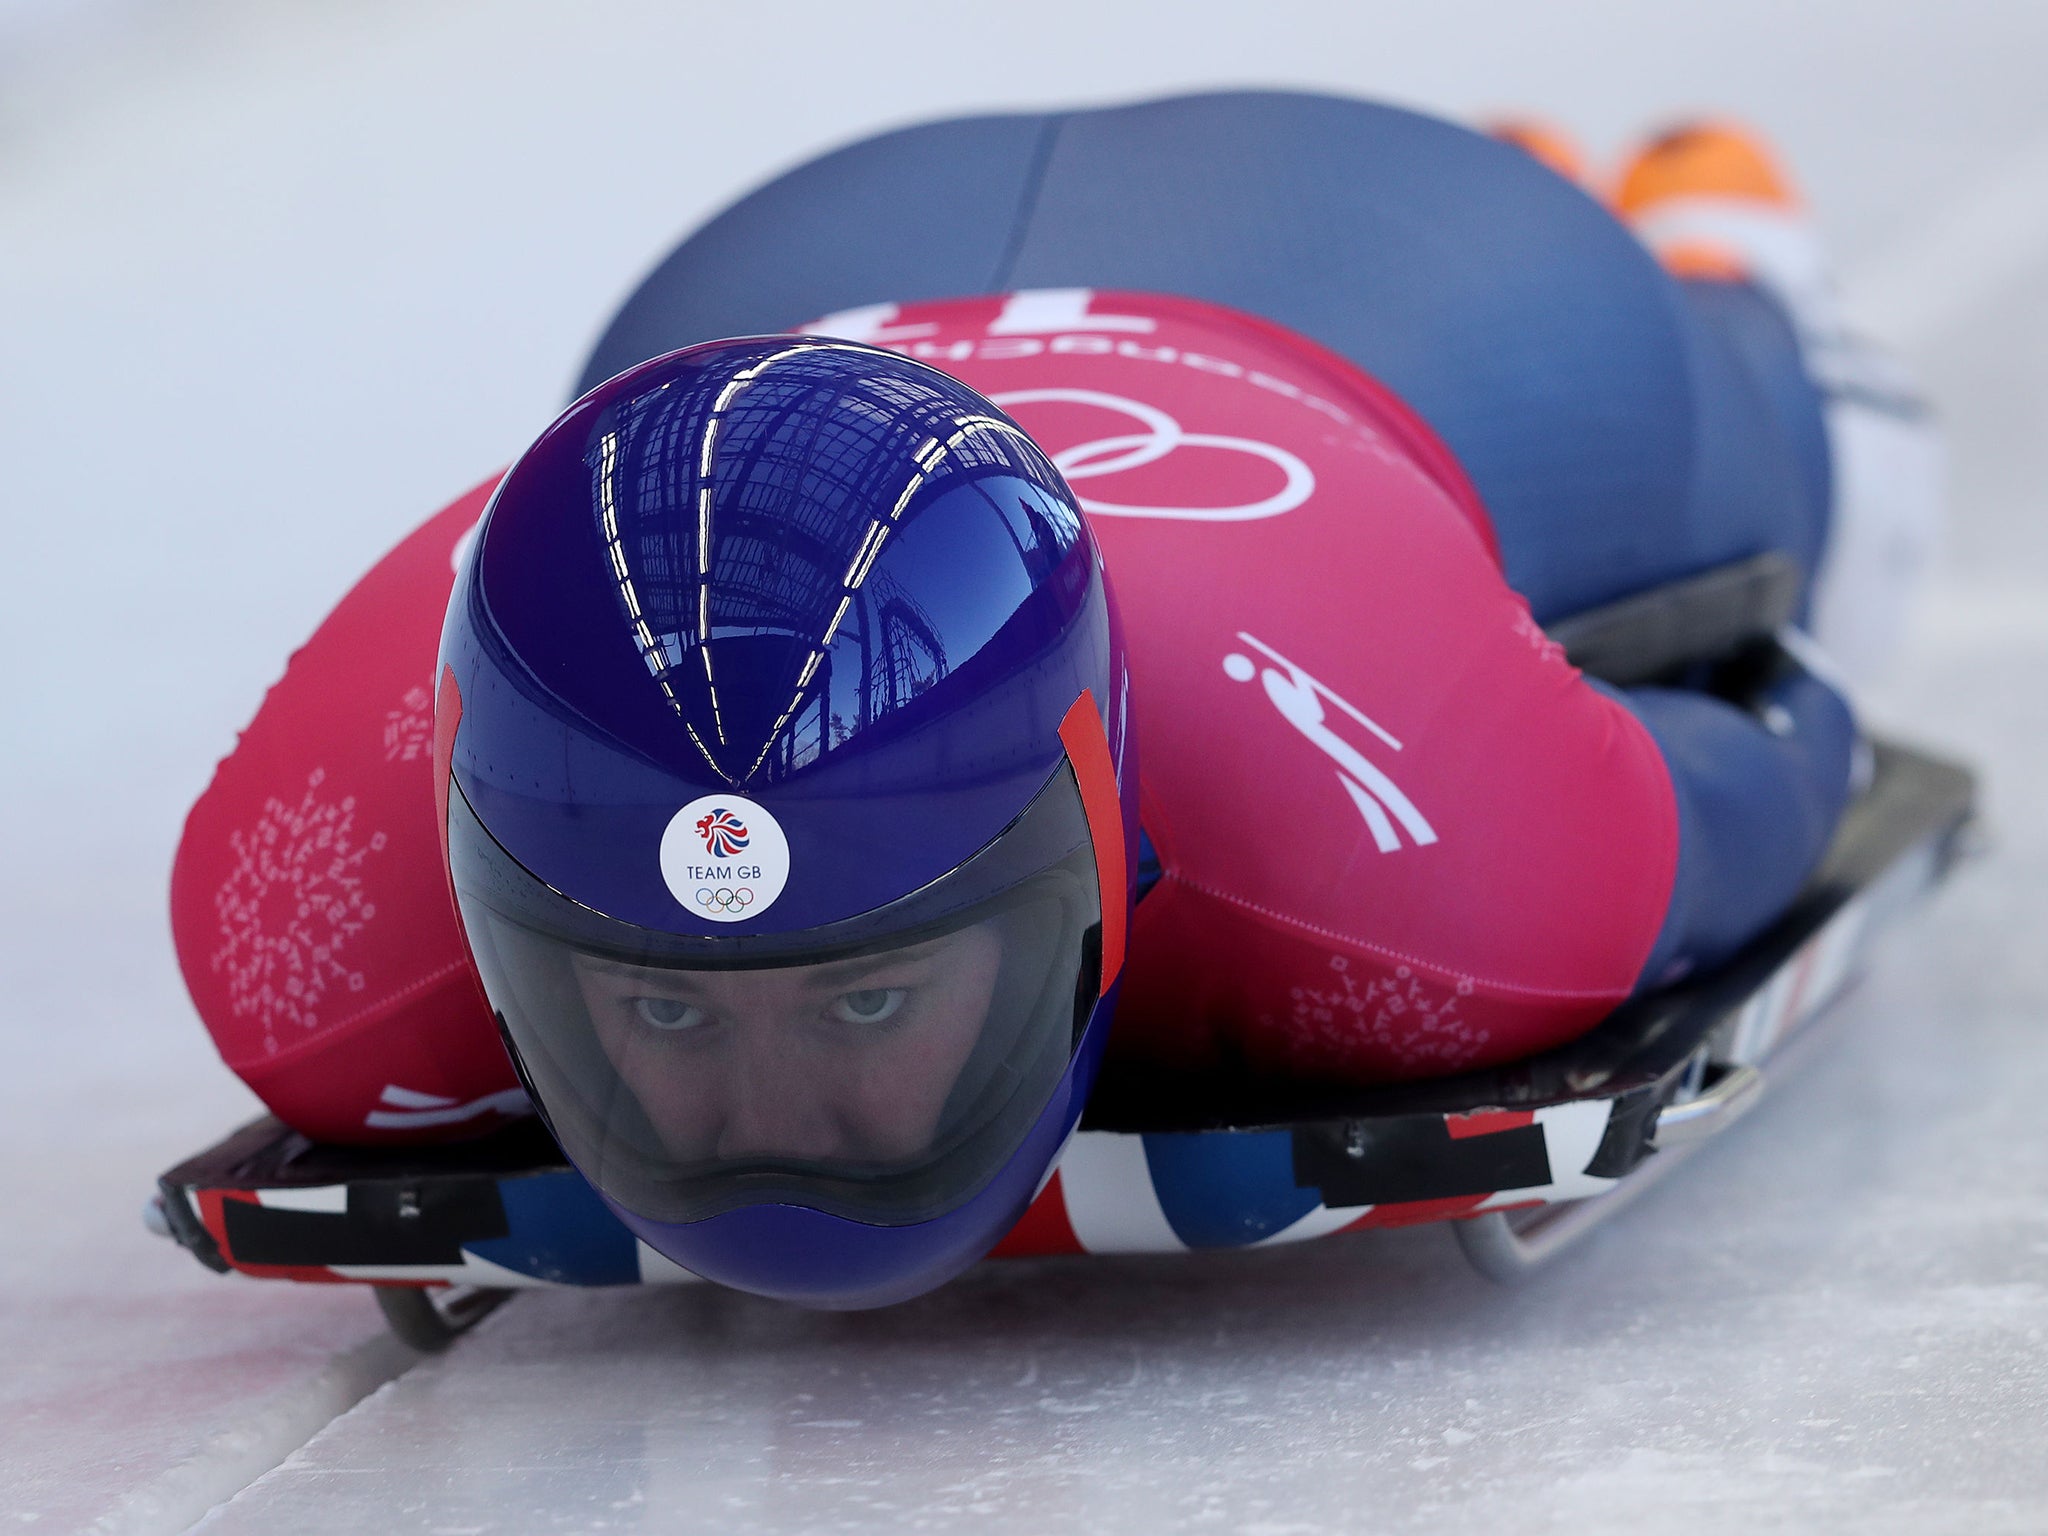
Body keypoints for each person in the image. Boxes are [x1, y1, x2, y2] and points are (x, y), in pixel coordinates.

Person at [169, 91, 1934, 1307]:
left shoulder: (1438, 866)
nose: (785, 1137)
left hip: (1462, 281)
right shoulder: (301, 933)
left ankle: (1710, 232)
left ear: (1101, 829)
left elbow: (1794, 733)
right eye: (667, 1016)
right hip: (788, 274)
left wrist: (1690, 738)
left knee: (1833, 491)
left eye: (864, 1008)